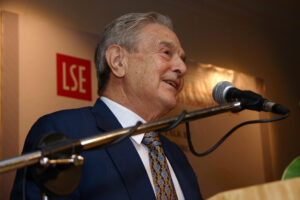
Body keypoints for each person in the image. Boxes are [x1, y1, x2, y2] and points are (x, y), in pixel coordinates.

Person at [11, 12, 203, 200]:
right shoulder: (65, 133)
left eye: (182, 60)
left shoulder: (176, 156)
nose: (182, 68)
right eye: (166, 53)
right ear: (118, 61)